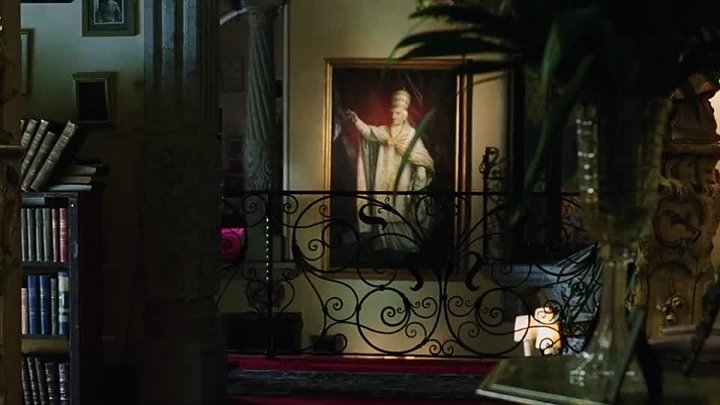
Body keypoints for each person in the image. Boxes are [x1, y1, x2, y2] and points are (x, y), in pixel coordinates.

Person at [345, 89, 435, 252]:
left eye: (398, 113)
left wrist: (421, 169)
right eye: (392, 112)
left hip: (402, 178)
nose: (393, 116)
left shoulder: (410, 134)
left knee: (400, 208)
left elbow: (421, 155)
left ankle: (404, 243)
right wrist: (356, 120)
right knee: (382, 208)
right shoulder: (384, 130)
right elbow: (369, 132)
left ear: (405, 115)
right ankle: (383, 243)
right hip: (382, 175)